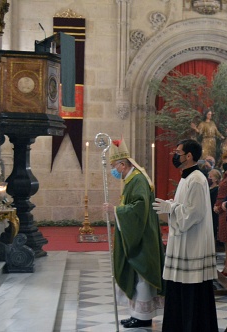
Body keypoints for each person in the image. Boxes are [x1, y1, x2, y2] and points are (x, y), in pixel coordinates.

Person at [153, 139, 218, 332]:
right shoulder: (186, 177)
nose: (175, 155)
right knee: (178, 289)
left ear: (189, 156)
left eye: (178, 152)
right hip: (183, 242)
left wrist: (171, 208)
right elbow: (186, 205)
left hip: (192, 244)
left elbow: (195, 213)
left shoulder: (197, 179)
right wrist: (172, 204)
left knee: (191, 292)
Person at [103, 138, 165, 329]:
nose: (114, 170)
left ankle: (143, 317)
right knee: (136, 276)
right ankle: (136, 314)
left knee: (142, 276)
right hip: (137, 234)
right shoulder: (131, 178)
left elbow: (139, 208)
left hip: (142, 237)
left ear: (123, 164)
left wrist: (116, 210)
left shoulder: (137, 179)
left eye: (114, 166)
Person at [208, 168, 221, 244]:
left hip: (213, 213)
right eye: (208, 176)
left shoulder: (216, 189)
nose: (209, 178)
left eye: (211, 176)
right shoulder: (209, 188)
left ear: (216, 179)